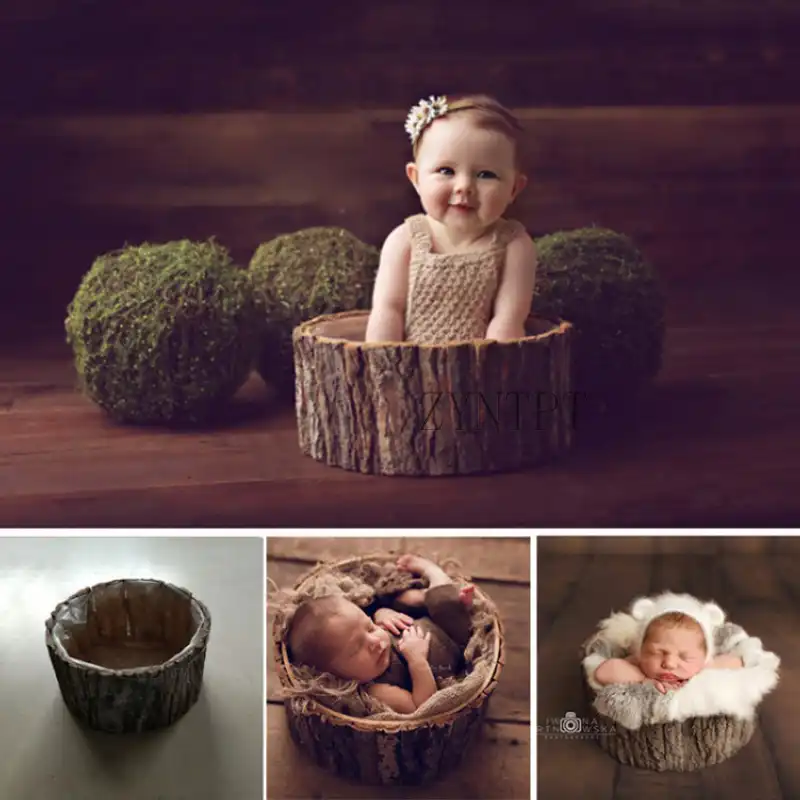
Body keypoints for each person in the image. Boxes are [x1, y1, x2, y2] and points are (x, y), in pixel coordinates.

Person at [365, 93, 536, 345]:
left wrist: (494, 371)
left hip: (479, 369)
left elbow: (508, 319)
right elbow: (387, 310)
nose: (464, 186)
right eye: (446, 171)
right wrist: (383, 363)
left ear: (514, 189)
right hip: (410, 368)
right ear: (416, 178)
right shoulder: (407, 239)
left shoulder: (513, 245)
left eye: (486, 175)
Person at [287, 554, 475, 713]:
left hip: (425, 621)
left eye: (369, 627)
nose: (375, 640)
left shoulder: (369, 635)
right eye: (356, 648)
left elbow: (373, 610)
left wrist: (382, 614)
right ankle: (446, 596)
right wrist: (417, 661)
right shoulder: (377, 690)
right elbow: (422, 706)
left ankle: (429, 579)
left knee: (401, 599)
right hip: (454, 641)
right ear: (335, 675)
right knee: (444, 604)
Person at [593, 599, 744, 694]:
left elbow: (738, 663)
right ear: (642, 651)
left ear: (704, 658)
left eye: (685, 657)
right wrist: (643, 679)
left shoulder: (703, 667)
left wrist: (702, 675)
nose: (669, 664)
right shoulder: (639, 664)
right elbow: (603, 672)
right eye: (657, 653)